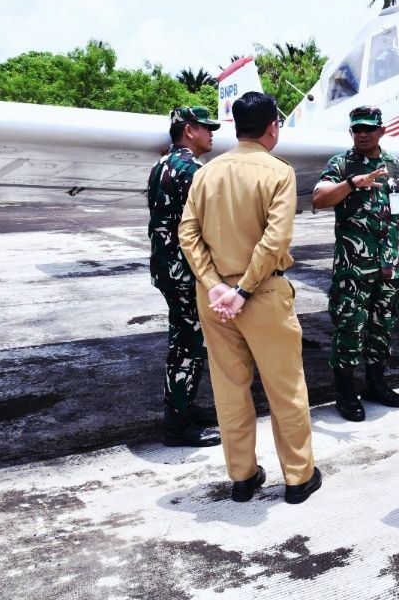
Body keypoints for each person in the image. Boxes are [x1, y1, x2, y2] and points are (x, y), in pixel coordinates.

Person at [177, 91, 321, 505]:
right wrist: (243, 290)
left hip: (215, 298)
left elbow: (188, 234)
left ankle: (242, 478)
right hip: (260, 295)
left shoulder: (206, 171)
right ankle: (297, 478)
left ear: (237, 127)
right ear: (273, 127)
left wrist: (214, 284)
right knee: (285, 388)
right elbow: (275, 240)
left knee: (229, 388)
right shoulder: (278, 172)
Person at [312, 105, 399, 423]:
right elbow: (319, 198)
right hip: (353, 269)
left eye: (369, 128)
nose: (363, 133)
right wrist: (351, 184)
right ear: (351, 132)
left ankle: (375, 385)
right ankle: (345, 394)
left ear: (381, 131)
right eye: (357, 128)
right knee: (349, 330)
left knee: (381, 328)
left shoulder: (394, 166)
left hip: (388, 267)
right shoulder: (342, 163)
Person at [146, 106, 222, 448]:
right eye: (206, 128)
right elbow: (208, 225)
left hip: (166, 267)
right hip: (186, 270)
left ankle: (183, 408)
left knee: (184, 339)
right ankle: (177, 426)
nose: (211, 134)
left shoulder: (160, 165)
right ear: (189, 130)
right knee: (189, 345)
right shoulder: (193, 169)